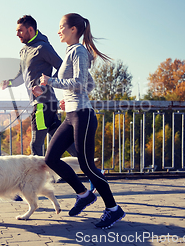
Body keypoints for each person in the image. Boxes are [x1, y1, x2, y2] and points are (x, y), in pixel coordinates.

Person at [37, 13, 125, 229]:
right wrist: (68, 99)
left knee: (87, 165)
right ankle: (84, 194)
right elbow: (90, 84)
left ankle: (113, 209)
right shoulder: (72, 52)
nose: (58, 31)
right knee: (51, 158)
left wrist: (51, 81)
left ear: (73, 29)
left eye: (61, 27)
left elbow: (79, 81)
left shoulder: (79, 51)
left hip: (83, 115)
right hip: (72, 114)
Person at [1, 15, 77, 157]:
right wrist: (9, 82)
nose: (17, 34)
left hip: (43, 104)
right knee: (62, 141)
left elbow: (62, 68)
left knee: (36, 145)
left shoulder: (43, 48)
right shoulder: (24, 51)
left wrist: (45, 85)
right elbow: (21, 77)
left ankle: (41, 178)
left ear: (30, 29)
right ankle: (93, 169)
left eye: (20, 31)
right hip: (42, 104)